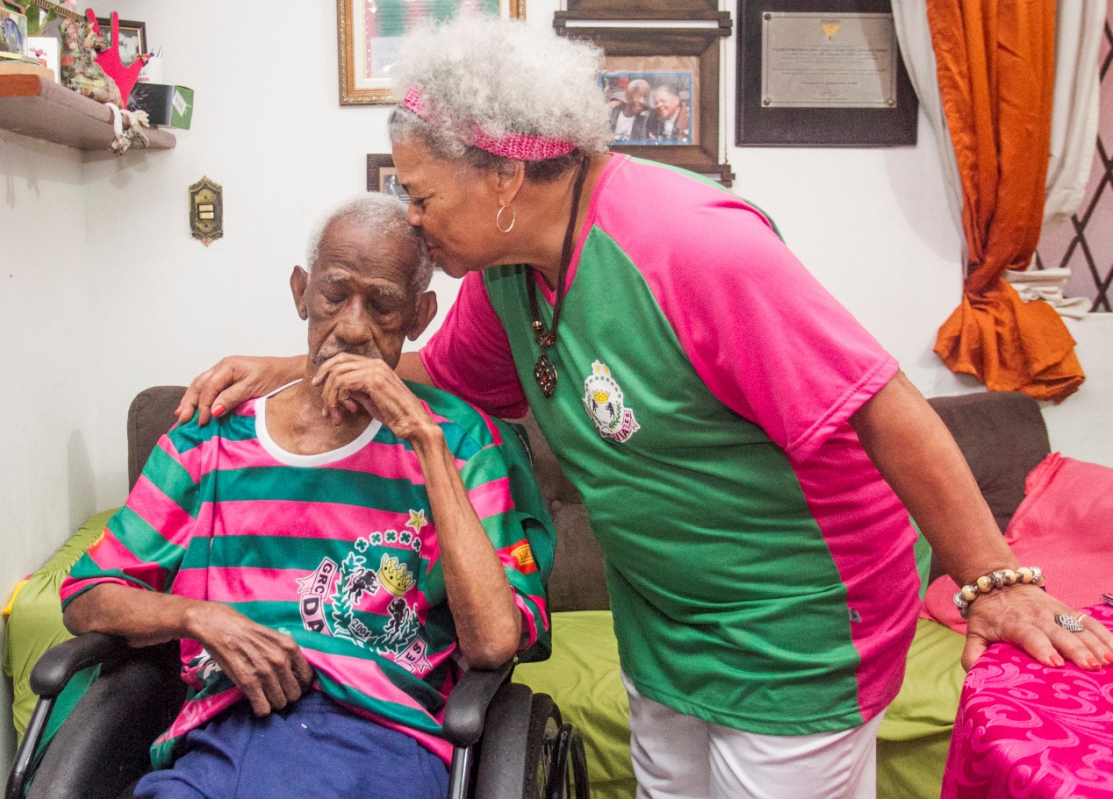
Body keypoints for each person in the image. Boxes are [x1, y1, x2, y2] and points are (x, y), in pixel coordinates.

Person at [175, 17, 1113, 799]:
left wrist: (994, 576)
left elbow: (885, 407)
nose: (410, 223)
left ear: (503, 175)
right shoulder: (506, 273)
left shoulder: (692, 246)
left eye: (419, 195)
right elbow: (443, 373)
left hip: (792, 621)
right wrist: (280, 365)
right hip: (666, 618)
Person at [61, 195, 553, 799]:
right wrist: (196, 615)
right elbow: (88, 596)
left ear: (420, 316)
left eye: (383, 305)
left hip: (384, 742)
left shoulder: (458, 441)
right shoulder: (207, 436)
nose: (351, 326)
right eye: (334, 294)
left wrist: (426, 441)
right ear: (301, 292)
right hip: (224, 734)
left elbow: (494, 643)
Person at [608, 78, 650, 142]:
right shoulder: (613, 112)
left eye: (645, 97)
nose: (642, 101)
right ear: (627, 95)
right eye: (638, 95)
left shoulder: (644, 114)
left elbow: (651, 113)